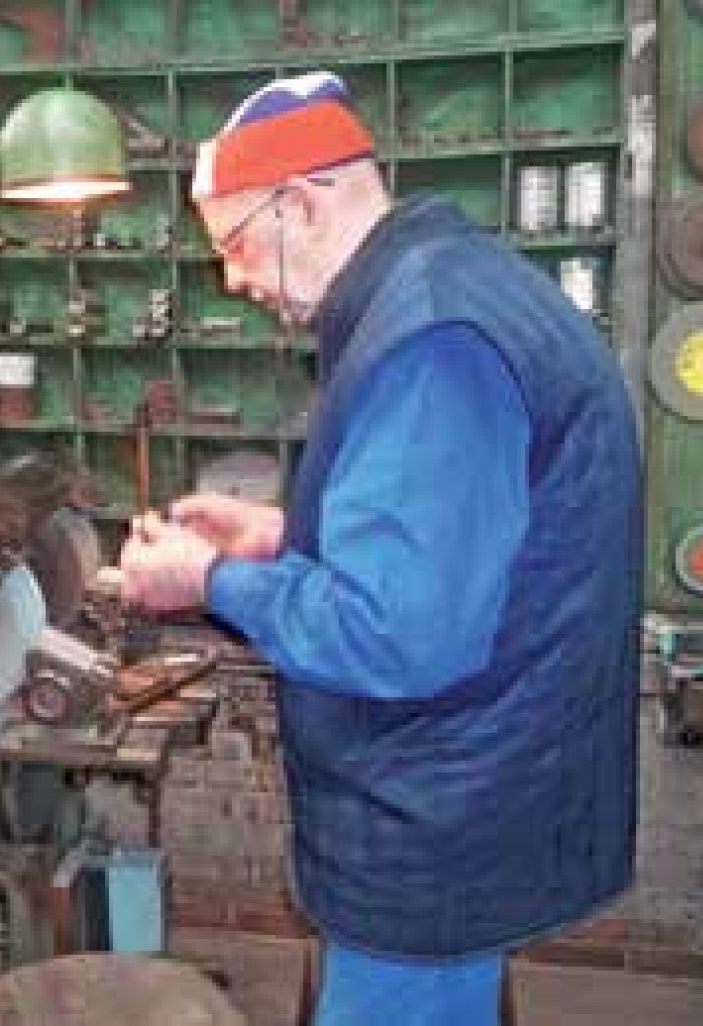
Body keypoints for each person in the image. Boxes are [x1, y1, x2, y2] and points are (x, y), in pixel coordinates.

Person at [118, 71, 641, 1026]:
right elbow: (468, 544)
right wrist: (282, 538)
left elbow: (399, 635)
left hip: (433, 820)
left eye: (232, 245)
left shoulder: (429, 341)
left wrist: (210, 580)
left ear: (303, 203)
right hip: (474, 792)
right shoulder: (449, 286)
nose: (231, 278)